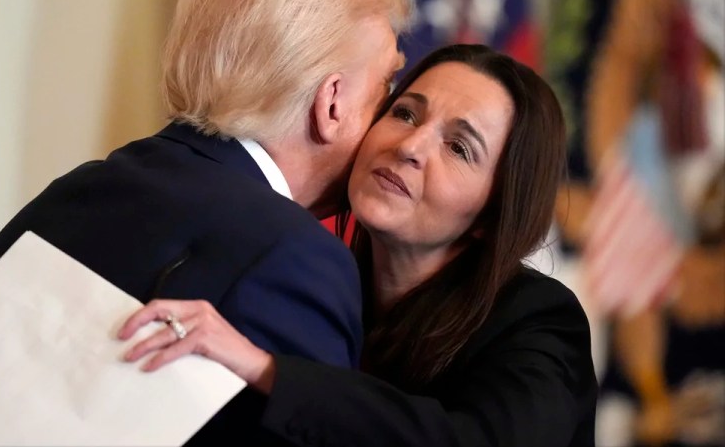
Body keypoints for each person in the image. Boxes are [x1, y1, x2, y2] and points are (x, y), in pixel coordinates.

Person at [0, 0, 410, 446]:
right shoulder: (297, 257)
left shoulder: (82, 185)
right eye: (387, 84)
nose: (395, 120)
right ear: (332, 104)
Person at [119, 44, 599, 447]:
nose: (410, 147)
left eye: (458, 148)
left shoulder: (539, 320)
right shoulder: (317, 280)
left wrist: (267, 371)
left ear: (492, 216)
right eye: (405, 113)